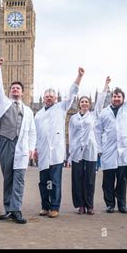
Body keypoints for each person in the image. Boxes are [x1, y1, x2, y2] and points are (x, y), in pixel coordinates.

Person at [0, 58, 36, 224]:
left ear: (22, 92)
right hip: (6, 143)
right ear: (9, 92)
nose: (15, 89)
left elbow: (32, 131)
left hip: (22, 146)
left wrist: (31, 148)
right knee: (8, 177)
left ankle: (16, 209)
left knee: (19, 178)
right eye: (13, 88)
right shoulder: (3, 103)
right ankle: (8, 209)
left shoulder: (29, 111)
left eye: (18, 88)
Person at [95, 68, 127, 214]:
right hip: (109, 151)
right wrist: (99, 148)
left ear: (123, 98)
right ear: (111, 98)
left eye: (119, 96)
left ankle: (122, 204)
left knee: (122, 180)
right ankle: (110, 204)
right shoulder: (105, 112)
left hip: (124, 150)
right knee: (108, 181)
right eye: (115, 96)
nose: (117, 98)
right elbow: (97, 130)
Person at [34, 67, 83, 218]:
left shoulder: (61, 108)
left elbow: (72, 94)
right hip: (42, 152)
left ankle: (54, 207)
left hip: (55, 152)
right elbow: (35, 133)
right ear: (43, 98)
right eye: (47, 96)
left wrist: (79, 77)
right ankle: (45, 206)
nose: (49, 98)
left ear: (56, 98)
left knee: (55, 182)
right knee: (43, 183)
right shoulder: (39, 114)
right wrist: (35, 149)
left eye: (51, 96)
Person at [69, 76, 108, 215]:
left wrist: (106, 85)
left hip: (91, 150)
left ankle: (89, 205)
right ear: (79, 104)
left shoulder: (94, 115)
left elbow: (101, 102)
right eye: (82, 101)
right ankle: (80, 205)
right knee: (77, 179)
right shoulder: (73, 118)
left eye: (86, 101)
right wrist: (69, 155)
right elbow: (71, 134)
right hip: (77, 152)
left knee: (90, 179)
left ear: (89, 104)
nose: (84, 103)